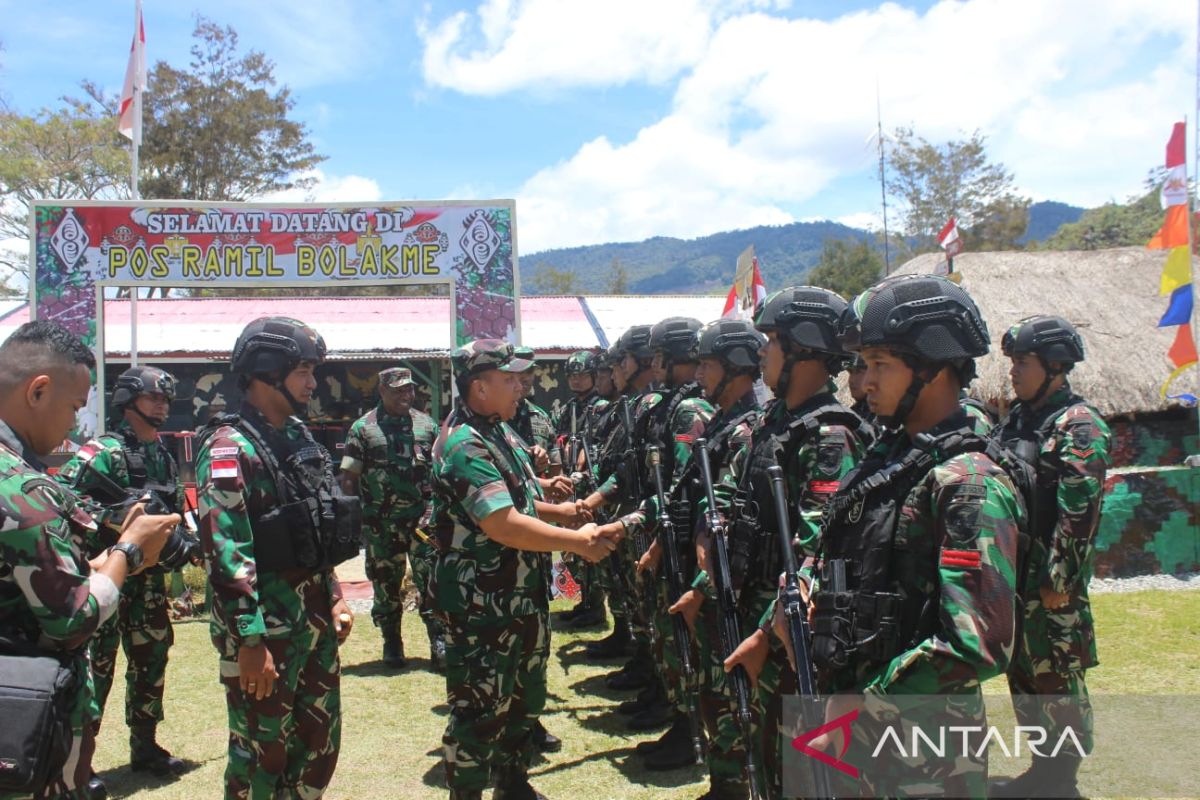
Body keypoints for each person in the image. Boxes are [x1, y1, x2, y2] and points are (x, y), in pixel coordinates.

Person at [730, 275, 1026, 798]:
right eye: (862, 364)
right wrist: (782, 609)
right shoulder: (886, 459)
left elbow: (974, 644)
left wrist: (859, 707)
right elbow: (829, 550)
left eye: (879, 365)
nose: (862, 382)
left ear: (933, 368)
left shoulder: (967, 482)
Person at [428, 338, 619, 800]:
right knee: (479, 711)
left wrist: (563, 510)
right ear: (479, 387)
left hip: (519, 594)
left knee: (524, 699)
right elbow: (503, 523)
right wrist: (579, 541)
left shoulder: (499, 431)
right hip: (481, 605)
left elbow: (518, 499)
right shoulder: (463, 444)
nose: (521, 387)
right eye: (510, 379)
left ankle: (513, 784)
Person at [0, 320, 177, 799]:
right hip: (24, 709)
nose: (75, 423)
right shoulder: (19, 485)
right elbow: (72, 618)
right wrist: (127, 548)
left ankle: (144, 745)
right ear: (38, 391)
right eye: (75, 407)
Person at [711, 287, 872, 797]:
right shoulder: (768, 424)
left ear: (805, 351)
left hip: (789, 632)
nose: (762, 351)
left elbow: (817, 547)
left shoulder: (831, 435)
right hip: (754, 606)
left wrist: (763, 633)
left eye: (773, 340)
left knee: (795, 764)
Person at [195, 317, 358, 799]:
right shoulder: (229, 448)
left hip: (312, 620)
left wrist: (334, 595)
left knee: (318, 741)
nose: (313, 382)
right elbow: (226, 552)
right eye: (303, 371)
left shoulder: (300, 437)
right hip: (264, 630)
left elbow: (317, 523)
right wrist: (249, 640)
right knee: (262, 753)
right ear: (267, 372)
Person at [992, 315, 1111, 798]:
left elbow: (1079, 511)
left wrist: (1058, 580)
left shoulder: (1077, 425)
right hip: (1016, 579)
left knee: (1058, 678)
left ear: (1055, 366)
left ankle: (1062, 778)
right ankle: (1043, 770)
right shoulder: (1019, 420)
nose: (1014, 372)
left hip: (1049, 584)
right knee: (1024, 675)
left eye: (1023, 362)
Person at [56, 366, 189, 791]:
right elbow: (63, 499)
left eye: (166, 400)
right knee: (97, 671)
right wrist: (115, 519)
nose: (162, 406)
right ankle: (82, 763)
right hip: (107, 578)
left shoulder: (162, 454)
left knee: (151, 663)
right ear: (128, 402)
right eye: (154, 398)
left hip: (147, 585)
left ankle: (146, 747)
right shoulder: (103, 451)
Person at [664, 318, 767, 798]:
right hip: (716, 579)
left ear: (736, 367)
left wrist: (704, 587)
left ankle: (735, 784)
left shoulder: (749, 430)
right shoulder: (724, 424)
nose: (699, 373)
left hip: (741, 588)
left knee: (736, 696)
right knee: (717, 688)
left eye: (707, 364)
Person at [339, 367, 439, 670]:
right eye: (397, 390)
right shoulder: (363, 428)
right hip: (382, 525)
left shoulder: (427, 425)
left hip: (423, 524)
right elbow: (348, 477)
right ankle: (392, 642)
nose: (405, 395)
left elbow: (441, 473)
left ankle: (439, 641)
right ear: (382, 391)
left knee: (433, 582)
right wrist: (352, 520)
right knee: (386, 586)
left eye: (408, 389)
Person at [552, 350, 609, 631]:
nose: (576, 380)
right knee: (570, 546)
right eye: (572, 375)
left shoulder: (602, 407)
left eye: (582, 374)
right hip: (568, 485)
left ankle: (595, 605)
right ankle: (585, 601)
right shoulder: (567, 409)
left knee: (589, 546)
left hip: (591, 487)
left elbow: (600, 447)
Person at [509, 346, 558, 477]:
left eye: (529, 370)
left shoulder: (541, 417)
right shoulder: (492, 416)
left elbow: (556, 468)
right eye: (518, 370)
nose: (524, 377)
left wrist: (544, 461)